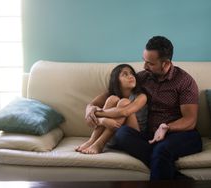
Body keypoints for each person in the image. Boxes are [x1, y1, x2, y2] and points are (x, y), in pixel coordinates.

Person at [84, 36, 202, 180]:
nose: (145, 66)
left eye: (150, 63)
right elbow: (113, 91)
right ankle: (178, 179)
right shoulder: (143, 77)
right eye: (144, 60)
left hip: (181, 134)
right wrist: (90, 107)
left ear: (165, 64)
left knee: (161, 150)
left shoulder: (184, 82)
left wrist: (166, 127)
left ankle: (172, 174)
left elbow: (190, 120)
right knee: (122, 134)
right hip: (149, 136)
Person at [76, 64, 148, 154]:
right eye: (125, 74)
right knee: (112, 99)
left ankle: (100, 144)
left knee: (124, 102)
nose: (130, 76)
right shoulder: (108, 95)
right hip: (113, 136)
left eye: (132, 74)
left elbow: (124, 112)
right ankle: (92, 141)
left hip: (131, 137)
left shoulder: (141, 96)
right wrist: (102, 121)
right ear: (116, 80)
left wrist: (100, 116)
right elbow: (90, 107)